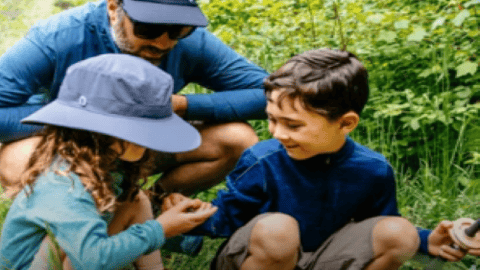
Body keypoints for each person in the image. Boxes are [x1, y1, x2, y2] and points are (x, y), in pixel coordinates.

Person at [162, 49, 480, 270]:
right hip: (260, 257)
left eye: (293, 125)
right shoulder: (263, 159)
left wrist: (428, 240)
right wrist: (187, 218)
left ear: (345, 123)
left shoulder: (372, 171)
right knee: (278, 229)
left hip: (325, 258)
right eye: (272, 119)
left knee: (399, 232)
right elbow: (227, 218)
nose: (277, 133)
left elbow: (377, 227)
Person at [0, 0, 268, 197]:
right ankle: (70, 227)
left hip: (141, 144)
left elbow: (270, 94)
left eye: (177, 31)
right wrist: (86, 118)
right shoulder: (58, 37)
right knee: (18, 161)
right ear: (114, 9)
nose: (163, 43)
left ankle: (151, 208)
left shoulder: (192, 43)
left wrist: (183, 106)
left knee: (238, 139)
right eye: (147, 29)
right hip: (70, 145)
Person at [0, 54, 218, 270]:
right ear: (96, 130)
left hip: (80, 253)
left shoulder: (101, 161)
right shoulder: (64, 184)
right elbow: (92, 260)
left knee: (134, 199)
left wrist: (168, 212)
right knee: (75, 249)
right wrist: (161, 229)